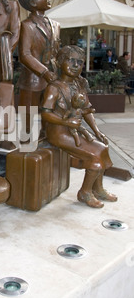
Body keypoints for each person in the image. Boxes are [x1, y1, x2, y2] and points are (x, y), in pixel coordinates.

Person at [41, 45, 117, 209]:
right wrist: (65, 122)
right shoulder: (54, 87)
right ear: (61, 62)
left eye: (80, 62)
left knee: (103, 147)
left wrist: (97, 131)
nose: (76, 65)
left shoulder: (79, 84)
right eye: (71, 60)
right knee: (95, 153)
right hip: (58, 133)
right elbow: (45, 113)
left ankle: (98, 188)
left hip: (73, 130)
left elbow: (86, 110)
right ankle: (85, 192)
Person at [17, 0, 60, 133]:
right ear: (33, 3)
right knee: (27, 121)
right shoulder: (26, 26)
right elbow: (25, 54)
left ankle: (46, 141)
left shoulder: (55, 25)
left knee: (50, 116)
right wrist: (44, 72)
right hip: (32, 80)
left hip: (53, 79)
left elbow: (57, 51)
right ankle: (25, 148)